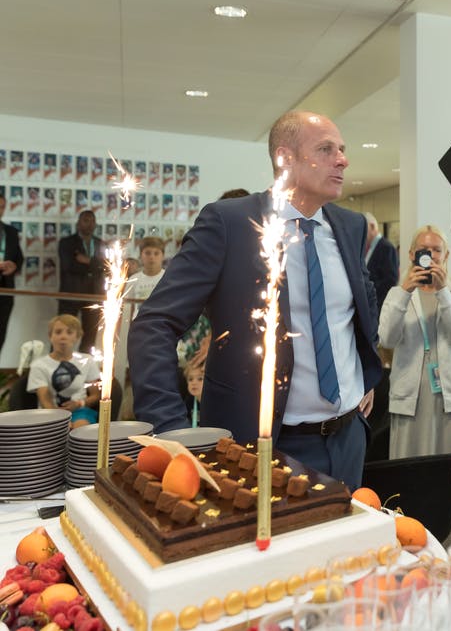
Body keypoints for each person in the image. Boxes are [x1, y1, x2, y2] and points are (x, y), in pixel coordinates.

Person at [129, 110, 382, 489]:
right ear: (285, 158)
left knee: (339, 548)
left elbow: (358, 304)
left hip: (349, 439)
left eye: (342, 150)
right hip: (263, 443)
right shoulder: (229, 224)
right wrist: (170, 428)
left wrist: (364, 369)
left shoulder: (350, 226)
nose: (343, 159)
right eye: (327, 149)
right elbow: (154, 325)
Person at [377, 225, 451, 542]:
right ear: (413, 255)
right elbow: (387, 337)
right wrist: (405, 292)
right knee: (409, 478)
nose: (430, 255)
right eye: (423, 250)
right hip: (409, 402)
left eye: (437, 250)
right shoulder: (397, 294)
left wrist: (442, 293)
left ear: (445, 256)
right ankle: (412, 544)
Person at [28, 315, 100, 429]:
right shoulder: (38, 365)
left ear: (77, 337)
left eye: (69, 332)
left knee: (80, 431)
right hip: (49, 413)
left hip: (80, 411)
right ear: (50, 336)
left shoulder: (88, 361)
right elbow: (45, 401)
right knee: (63, 430)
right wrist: (60, 419)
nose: (63, 336)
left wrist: (79, 404)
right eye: (58, 332)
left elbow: (96, 395)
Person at [58, 210, 104, 352]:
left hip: (94, 294)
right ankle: (57, 367)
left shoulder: (99, 243)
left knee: (90, 335)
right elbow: (68, 266)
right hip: (71, 293)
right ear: (78, 223)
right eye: (86, 220)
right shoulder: (66, 243)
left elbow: (106, 268)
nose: (89, 224)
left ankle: (83, 369)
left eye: (92, 221)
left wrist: (87, 260)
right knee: (63, 333)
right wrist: (94, 265)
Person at [0, 195, 24, 356]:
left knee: (1, 333)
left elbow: (19, 258)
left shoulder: (10, 232)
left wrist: (14, 266)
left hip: (6, 290)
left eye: (2, 206)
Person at [363, 212, 399, 313]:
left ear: (372, 226)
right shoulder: (369, 248)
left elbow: (391, 280)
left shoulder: (386, 247)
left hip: (379, 306)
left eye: (363, 230)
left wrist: (371, 293)